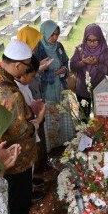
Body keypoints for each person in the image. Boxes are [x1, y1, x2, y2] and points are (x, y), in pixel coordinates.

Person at [0, 39, 46, 214]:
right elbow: (21, 130)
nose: (27, 70)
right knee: (19, 201)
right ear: (18, 65)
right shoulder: (11, 93)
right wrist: (37, 120)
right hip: (17, 157)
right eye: (27, 66)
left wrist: (26, 109)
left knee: (10, 196)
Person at [34, 20, 73, 151]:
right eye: (51, 34)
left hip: (60, 87)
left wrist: (64, 71)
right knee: (51, 119)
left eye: (57, 34)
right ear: (44, 33)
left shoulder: (59, 46)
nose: (54, 38)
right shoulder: (38, 49)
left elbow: (66, 63)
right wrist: (54, 73)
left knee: (63, 115)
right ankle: (51, 147)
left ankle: (63, 143)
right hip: (47, 91)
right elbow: (36, 74)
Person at [14, 55, 46, 202]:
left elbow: (28, 101)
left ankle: (31, 182)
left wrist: (34, 104)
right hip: (26, 131)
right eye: (31, 76)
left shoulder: (24, 85)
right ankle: (29, 192)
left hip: (30, 128)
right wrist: (35, 112)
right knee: (27, 162)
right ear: (22, 74)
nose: (32, 79)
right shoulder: (15, 91)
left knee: (31, 160)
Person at [69, 23, 108, 119]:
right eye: (89, 40)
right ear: (85, 38)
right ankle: (85, 134)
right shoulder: (80, 49)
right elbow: (72, 66)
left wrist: (97, 64)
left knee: (101, 119)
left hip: (100, 88)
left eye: (95, 41)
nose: (92, 43)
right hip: (83, 89)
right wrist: (83, 63)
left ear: (100, 39)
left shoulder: (105, 51)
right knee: (84, 117)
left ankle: (98, 134)